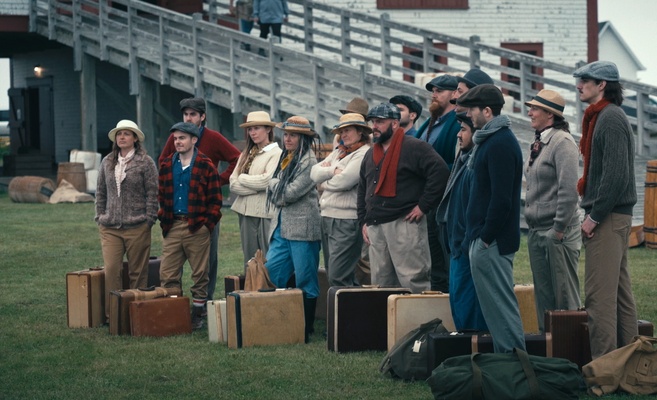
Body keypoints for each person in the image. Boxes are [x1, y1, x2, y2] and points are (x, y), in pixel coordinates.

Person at [573, 60, 638, 359]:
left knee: (599, 297)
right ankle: (627, 361)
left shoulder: (610, 118)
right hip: (613, 215)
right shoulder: (600, 117)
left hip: (608, 216)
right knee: (619, 293)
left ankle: (603, 371)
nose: (579, 84)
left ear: (602, 85)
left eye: (586, 80)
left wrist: (594, 216)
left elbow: (616, 176)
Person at [456, 84, 525, 353]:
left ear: (487, 110)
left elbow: (502, 200)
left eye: (472, 110)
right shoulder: (491, 140)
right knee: (495, 312)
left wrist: (484, 238)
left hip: (492, 242)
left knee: (501, 309)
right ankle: (507, 367)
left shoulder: (500, 143)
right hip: (485, 240)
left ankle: (515, 370)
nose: (469, 115)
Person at [357, 103, 448, 294]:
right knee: (381, 283)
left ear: (395, 124)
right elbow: (363, 189)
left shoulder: (414, 147)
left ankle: (420, 324)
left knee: (413, 280)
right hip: (376, 224)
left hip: (404, 222)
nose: (375, 126)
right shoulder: (370, 154)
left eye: (380, 122)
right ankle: (387, 324)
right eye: (373, 122)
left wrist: (423, 206)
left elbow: (440, 172)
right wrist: (363, 221)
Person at [159, 97, 240, 303]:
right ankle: (175, 305)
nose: (188, 118)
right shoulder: (176, 137)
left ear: (202, 117)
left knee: (207, 261)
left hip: (206, 210)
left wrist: (219, 179)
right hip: (179, 208)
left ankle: (205, 302)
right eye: (186, 114)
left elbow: (236, 158)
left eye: (193, 114)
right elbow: (163, 162)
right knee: (171, 264)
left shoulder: (213, 138)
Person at [523, 89, 581, 332]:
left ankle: (572, 352)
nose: (530, 112)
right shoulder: (540, 142)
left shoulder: (562, 142)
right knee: (544, 299)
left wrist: (558, 229)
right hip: (538, 232)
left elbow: (569, 191)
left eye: (535, 108)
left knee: (564, 299)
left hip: (557, 232)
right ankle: (549, 350)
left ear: (550, 114)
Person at [158, 122, 222, 329]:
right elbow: (162, 195)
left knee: (200, 274)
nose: (178, 142)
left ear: (194, 140)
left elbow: (215, 201)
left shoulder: (206, 165)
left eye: (182, 138)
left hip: (196, 226)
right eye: (176, 138)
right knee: (168, 273)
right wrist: (163, 218)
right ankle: (175, 310)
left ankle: (197, 313)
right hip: (173, 225)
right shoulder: (167, 164)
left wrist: (206, 226)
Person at [265, 116, 321, 342]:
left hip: (303, 229)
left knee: (306, 278)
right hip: (281, 226)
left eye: (293, 135)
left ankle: (305, 327)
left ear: (303, 138)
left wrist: (271, 185)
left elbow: (287, 193)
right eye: (286, 134)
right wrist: (275, 186)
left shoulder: (309, 162)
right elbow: (280, 190)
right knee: (272, 270)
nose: (287, 138)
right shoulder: (285, 157)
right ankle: (278, 320)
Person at [95, 120, 158, 320]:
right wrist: (100, 216)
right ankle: (113, 316)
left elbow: (153, 193)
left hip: (138, 225)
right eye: (119, 134)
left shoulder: (145, 162)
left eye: (127, 134)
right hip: (110, 226)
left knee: (138, 273)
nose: (122, 137)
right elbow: (100, 192)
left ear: (135, 138)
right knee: (112, 271)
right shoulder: (107, 162)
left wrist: (149, 219)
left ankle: (137, 314)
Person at [438, 113, 487, 331]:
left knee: (468, 303)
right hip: (456, 241)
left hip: (465, 243)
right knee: (458, 300)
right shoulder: (464, 157)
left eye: (463, 130)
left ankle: (473, 348)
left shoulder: (474, 162)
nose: (458, 134)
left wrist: (467, 241)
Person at [311, 113, 371, 287]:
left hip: (347, 219)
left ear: (360, 132)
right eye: (341, 131)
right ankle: (350, 311)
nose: (343, 135)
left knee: (338, 275)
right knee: (335, 273)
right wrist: (332, 172)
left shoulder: (363, 154)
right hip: (328, 216)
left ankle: (348, 311)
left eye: (348, 130)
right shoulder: (340, 152)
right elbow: (313, 173)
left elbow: (344, 182)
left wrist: (325, 177)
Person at [415, 74, 460, 293]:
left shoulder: (457, 122)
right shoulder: (430, 121)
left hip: (444, 200)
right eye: (432, 90)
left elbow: (456, 164)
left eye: (439, 91)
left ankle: (451, 305)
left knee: (446, 257)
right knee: (433, 261)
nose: (434, 95)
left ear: (454, 94)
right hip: (427, 199)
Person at [229, 111, 282, 270]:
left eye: (257, 128)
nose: (252, 133)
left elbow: (267, 181)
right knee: (249, 259)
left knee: (267, 258)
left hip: (265, 213)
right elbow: (232, 183)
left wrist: (243, 179)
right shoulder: (245, 153)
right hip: (245, 211)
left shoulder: (276, 153)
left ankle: (269, 291)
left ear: (268, 129)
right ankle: (251, 292)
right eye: (250, 129)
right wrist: (255, 188)